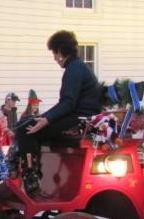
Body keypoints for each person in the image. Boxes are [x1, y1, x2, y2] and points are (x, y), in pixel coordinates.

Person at [16, 30, 101, 195]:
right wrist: (44, 117)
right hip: (78, 117)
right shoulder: (77, 67)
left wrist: (46, 119)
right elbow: (66, 103)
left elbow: (68, 103)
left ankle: (31, 178)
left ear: (61, 51)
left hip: (79, 120)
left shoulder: (74, 69)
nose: (54, 57)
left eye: (54, 53)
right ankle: (33, 173)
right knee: (27, 123)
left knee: (25, 129)